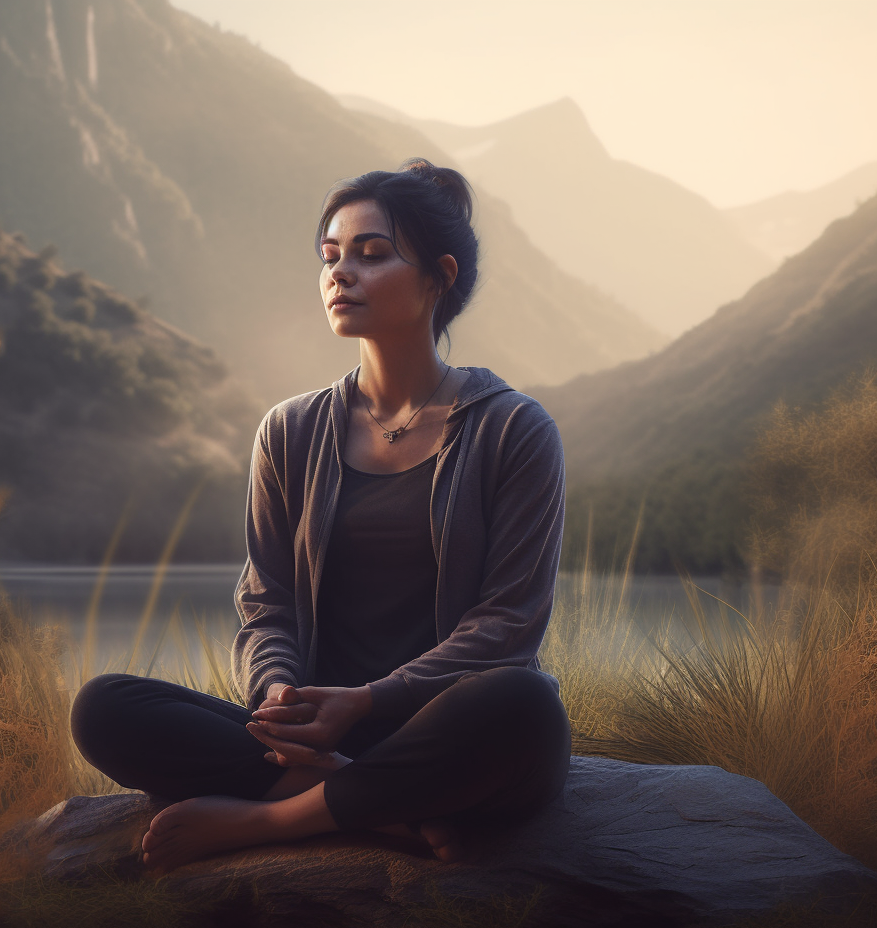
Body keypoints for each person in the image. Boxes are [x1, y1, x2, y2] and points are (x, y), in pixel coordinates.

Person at [70, 158, 573, 874]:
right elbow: (266, 601)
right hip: (313, 737)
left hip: (444, 732)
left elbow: (508, 628)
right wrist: (279, 699)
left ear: (440, 276)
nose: (341, 274)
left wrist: (365, 702)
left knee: (524, 705)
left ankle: (272, 819)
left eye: (371, 256)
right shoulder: (290, 430)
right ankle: (373, 804)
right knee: (104, 707)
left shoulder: (514, 431)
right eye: (330, 257)